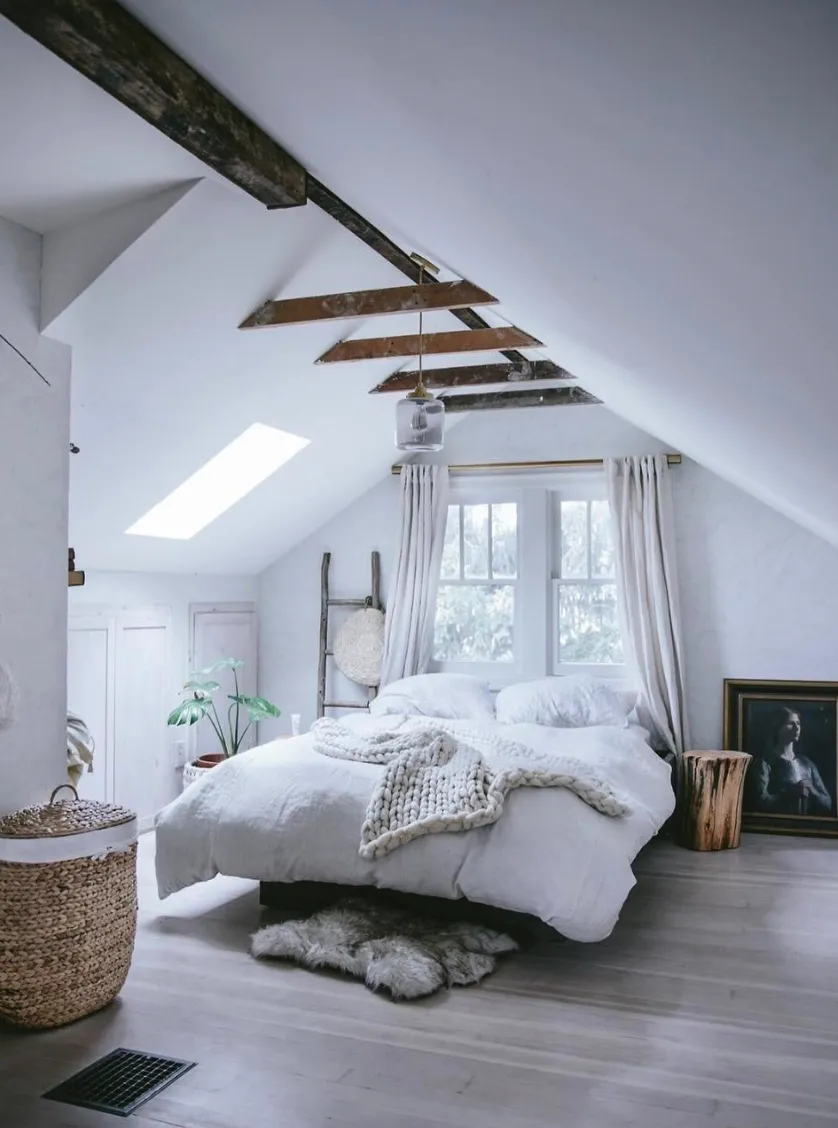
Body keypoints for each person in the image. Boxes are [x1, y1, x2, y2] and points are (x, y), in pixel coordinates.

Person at [748, 707, 833, 816]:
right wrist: (789, 793)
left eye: (798, 723)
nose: (797, 728)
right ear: (777, 728)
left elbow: (828, 804)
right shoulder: (764, 763)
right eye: (791, 724)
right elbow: (760, 802)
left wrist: (812, 790)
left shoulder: (807, 763)